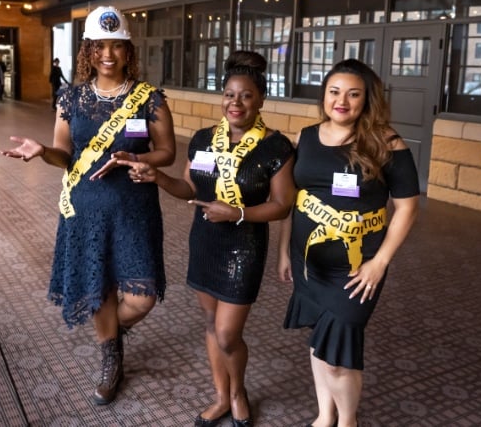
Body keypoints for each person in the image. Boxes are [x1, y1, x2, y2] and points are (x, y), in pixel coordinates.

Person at [0, 5, 176, 406]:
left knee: (141, 296)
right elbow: (64, 153)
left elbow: (166, 151)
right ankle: (111, 359)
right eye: (99, 46)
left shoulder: (148, 99)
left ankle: (110, 332)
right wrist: (43, 150)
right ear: (88, 51)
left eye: (116, 46)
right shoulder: (71, 98)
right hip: (85, 208)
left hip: (134, 207)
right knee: (99, 289)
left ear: (129, 50)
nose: (108, 54)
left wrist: (139, 159)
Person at [118, 50, 295, 427]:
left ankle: (238, 391)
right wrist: (158, 177)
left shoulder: (275, 147)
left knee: (228, 334)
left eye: (246, 95)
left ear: (260, 100)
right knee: (212, 325)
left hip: (244, 246)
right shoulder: (203, 140)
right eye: (230, 94)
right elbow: (188, 188)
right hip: (204, 243)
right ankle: (220, 396)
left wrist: (237, 212)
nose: (236, 102)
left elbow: (281, 205)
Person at [277, 59, 420, 427]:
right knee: (319, 342)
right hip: (309, 260)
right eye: (334, 92)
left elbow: (406, 207)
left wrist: (380, 262)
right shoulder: (306, 137)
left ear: (366, 100)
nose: (342, 101)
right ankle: (325, 415)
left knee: (339, 355)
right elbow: (295, 197)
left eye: (353, 94)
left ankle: (348, 421)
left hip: (358, 267)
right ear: (324, 95)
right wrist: (283, 251)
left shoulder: (385, 142)